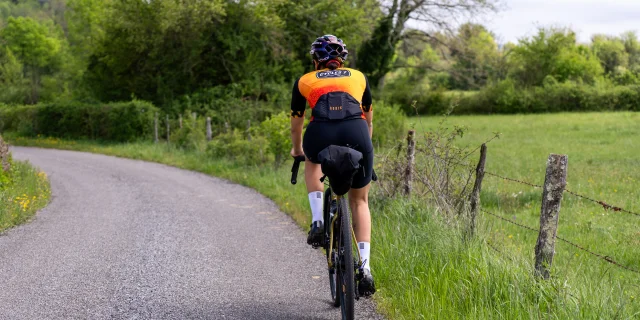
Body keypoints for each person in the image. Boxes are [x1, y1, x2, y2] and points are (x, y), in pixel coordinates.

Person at [289, 34, 375, 296]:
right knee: (359, 202)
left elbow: (296, 124)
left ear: (316, 60)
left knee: (311, 159)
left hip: (320, 132)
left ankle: (317, 220)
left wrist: (297, 150)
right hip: (357, 133)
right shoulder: (359, 77)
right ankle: (366, 268)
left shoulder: (305, 80)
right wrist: (365, 150)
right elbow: (368, 119)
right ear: (343, 58)